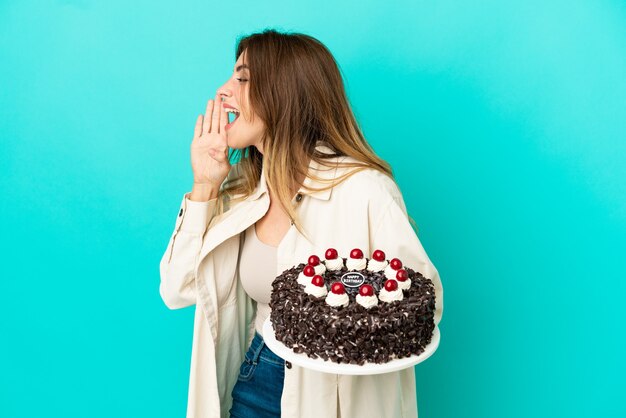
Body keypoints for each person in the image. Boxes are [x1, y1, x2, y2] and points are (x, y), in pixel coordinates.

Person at [159, 28, 443, 418]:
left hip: (331, 399)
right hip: (254, 380)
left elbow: (421, 309)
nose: (223, 90)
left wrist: (342, 334)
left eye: (242, 78)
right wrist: (205, 186)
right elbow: (179, 288)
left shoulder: (364, 191)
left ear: (285, 92)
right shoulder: (244, 196)